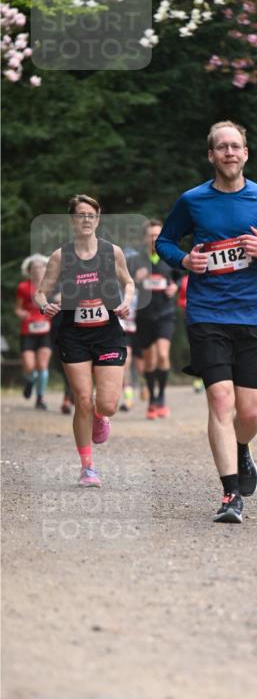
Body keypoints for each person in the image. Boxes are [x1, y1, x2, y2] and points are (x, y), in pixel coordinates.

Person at [155, 119, 257, 524]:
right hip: (207, 314)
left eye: (236, 146)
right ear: (211, 155)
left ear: (246, 153)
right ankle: (230, 494)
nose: (229, 153)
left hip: (253, 315)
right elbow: (164, 241)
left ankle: (241, 448)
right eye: (222, 147)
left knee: (249, 412)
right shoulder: (192, 201)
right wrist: (184, 260)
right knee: (220, 401)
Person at [33, 194, 134, 487]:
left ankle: (101, 417)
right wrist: (45, 304)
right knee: (82, 399)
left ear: (98, 219)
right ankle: (88, 467)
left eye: (91, 215)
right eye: (80, 215)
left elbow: (128, 281)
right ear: (72, 220)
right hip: (73, 333)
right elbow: (41, 292)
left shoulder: (111, 252)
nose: (86, 220)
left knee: (108, 404)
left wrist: (127, 301)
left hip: (107, 332)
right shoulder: (60, 256)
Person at [128, 219, 180, 419]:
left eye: (157, 235)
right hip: (144, 316)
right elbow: (124, 283)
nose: (153, 239)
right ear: (144, 238)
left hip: (166, 314)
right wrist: (136, 280)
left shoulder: (170, 256)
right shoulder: (135, 260)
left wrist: (175, 286)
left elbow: (179, 277)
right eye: (150, 235)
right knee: (149, 361)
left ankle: (161, 397)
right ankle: (151, 401)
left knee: (163, 355)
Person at [15, 254, 51, 409]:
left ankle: (40, 398)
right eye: (35, 268)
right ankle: (30, 381)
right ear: (29, 271)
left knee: (43, 364)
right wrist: (22, 313)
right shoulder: (23, 287)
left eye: (41, 267)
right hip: (28, 331)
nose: (38, 270)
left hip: (45, 330)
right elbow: (17, 308)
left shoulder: (51, 286)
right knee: (30, 366)